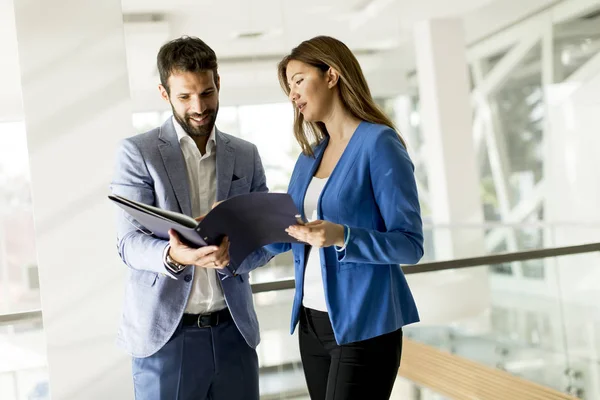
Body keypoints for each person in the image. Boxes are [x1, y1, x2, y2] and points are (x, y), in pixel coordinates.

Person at [111, 36, 271, 400]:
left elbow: (267, 236)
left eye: (207, 93)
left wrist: (237, 253)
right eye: (185, 97)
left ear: (218, 84)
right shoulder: (139, 153)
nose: (199, 107)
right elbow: (129, 244)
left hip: (234, 333)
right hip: (167, 338)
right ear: (164, 94)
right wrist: (174, 256)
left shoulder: (246, 155)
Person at [266, 36, 424, 400]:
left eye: (299, 80)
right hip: (311, 323)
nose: (293, 94)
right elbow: (289, 231)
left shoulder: (378, 143)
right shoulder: (309, 156)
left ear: (332, 75)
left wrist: (344, 236)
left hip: (364, 326)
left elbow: (410, 245)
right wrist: (233, 228)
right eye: (289, 86)